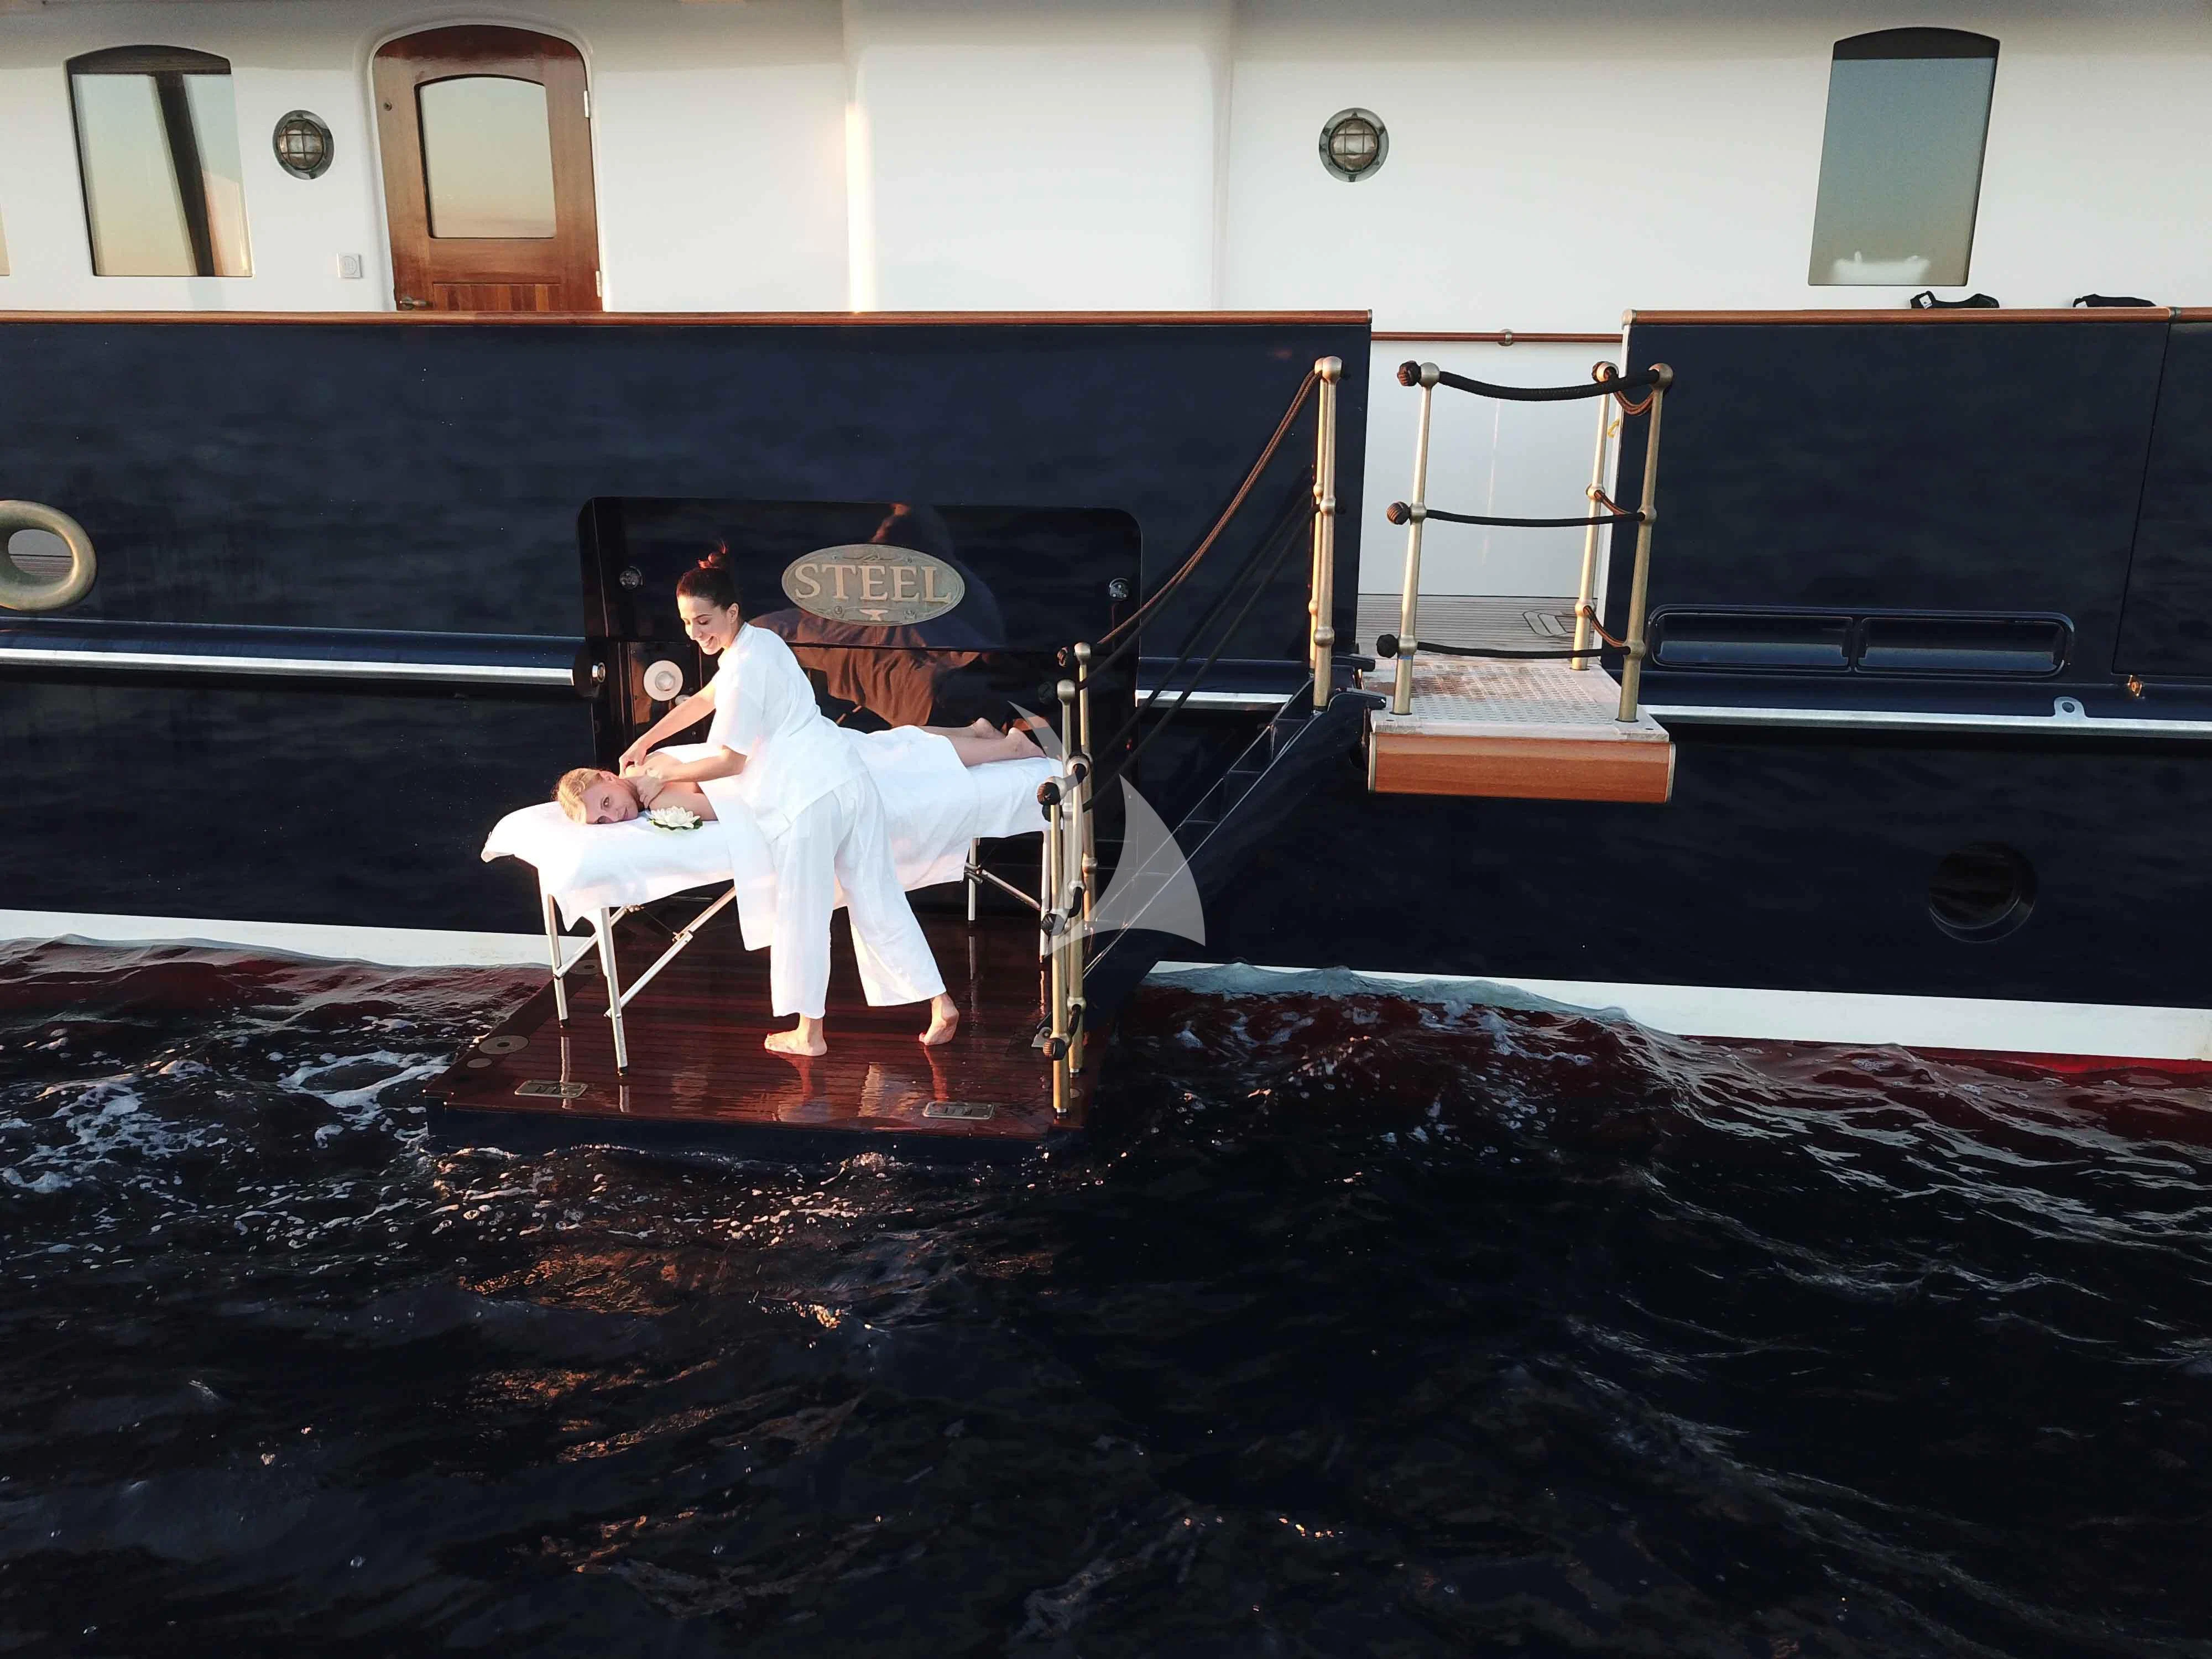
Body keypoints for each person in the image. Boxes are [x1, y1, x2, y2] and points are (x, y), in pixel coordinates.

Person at [617, 548, 959, 1056]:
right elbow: (705, 698)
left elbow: (731, 762)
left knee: (803, 911)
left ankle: (810, 1034)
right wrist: (647, 740)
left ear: (732, 612)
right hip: (849, 781)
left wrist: (669, 767)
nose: (695, 633)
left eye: (704, 621)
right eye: (687, 623)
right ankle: (940, 1002)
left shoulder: (745, 668)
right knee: (878, 896)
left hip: (808, 799)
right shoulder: (763, 643)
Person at [555, 767, 714, 826]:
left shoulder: (661, 802)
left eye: (607, 802)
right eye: (601, 820)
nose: (614, 817)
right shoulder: (634, 767)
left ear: (609, 777)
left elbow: (734, 809)